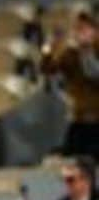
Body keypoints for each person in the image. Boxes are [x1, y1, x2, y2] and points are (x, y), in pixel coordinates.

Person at [41, 11, 99, 159]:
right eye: (77, 28)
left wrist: (86, 50)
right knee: (72, 162)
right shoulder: (70, 54)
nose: (80, 33)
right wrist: (52, 46)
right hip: (79, 119)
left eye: (85, 28)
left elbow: (93, 73)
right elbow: (48, 70)